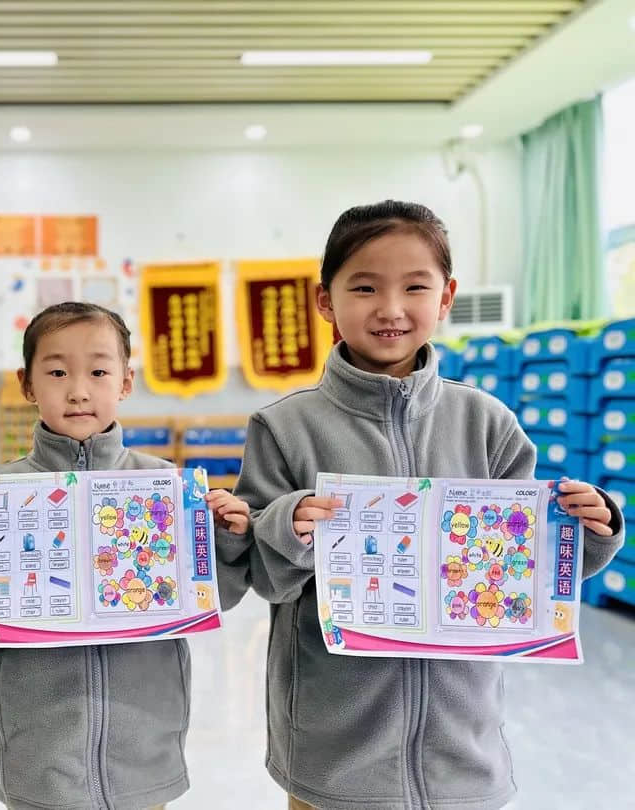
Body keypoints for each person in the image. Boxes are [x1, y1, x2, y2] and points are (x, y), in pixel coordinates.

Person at [216, 200, 625, 810]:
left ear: (446, 296)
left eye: (415, 286)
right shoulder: (283, 426)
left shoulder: (488, 423)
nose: (391, 308)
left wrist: (588, 530)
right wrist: (287, 525)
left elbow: (528, 575)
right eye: (364, 287)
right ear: (325, 300)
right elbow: (260, 576)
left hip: (460, 745)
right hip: (332, 746)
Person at [0, 301, 249, 809]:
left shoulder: (160, 484)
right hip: (38, 752)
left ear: (125, 381)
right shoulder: (4, 494)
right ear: (27, 384)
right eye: (56, 372)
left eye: (98, 370)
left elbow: (209, 600)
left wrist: (224, 538)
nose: (78, 390)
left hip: (144, 744)